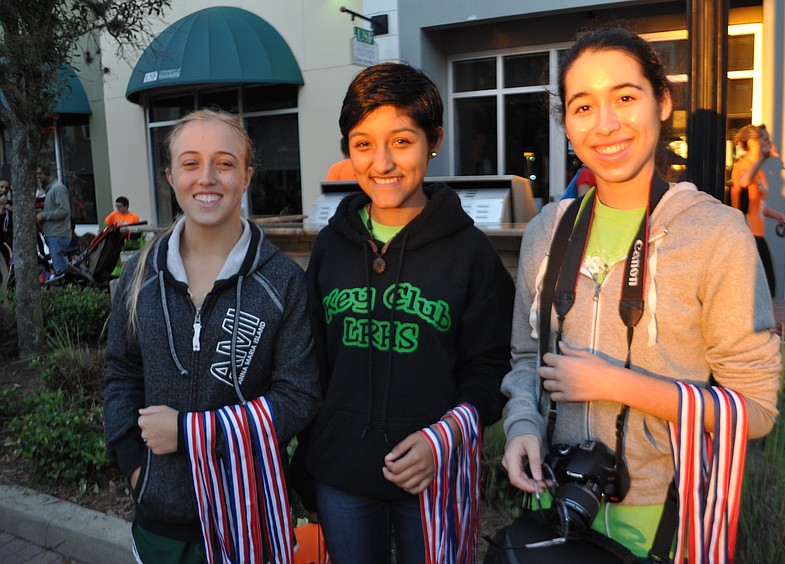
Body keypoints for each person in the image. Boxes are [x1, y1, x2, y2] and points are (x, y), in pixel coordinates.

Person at [500, 28, 780, 560]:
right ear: (566, 122)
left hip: (666, 520)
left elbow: (756, 408)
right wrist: (521, 427)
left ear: (663, 101)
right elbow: (523, 359)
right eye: (583, 106)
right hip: (561, 502)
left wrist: (615, 383)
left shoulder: (716, 234)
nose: (605, 124)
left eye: (625, 97)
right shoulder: (547, 231)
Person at [298, 62, 514, 563]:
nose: (382, 162)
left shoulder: (470, 254)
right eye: (363, 143)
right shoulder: (332, 247)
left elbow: (494, 366)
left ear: (433, 140)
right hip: (343, 475)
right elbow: (312, 362)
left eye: (401, 140)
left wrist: (443, 439)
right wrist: (310, 459)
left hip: (434, 475)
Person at [103, 109, 322, 563]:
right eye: (190, 163)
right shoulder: (140, 275)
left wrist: (192, 433)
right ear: (170, 177)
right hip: (159, 518)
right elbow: (121, 372)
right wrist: (134, 466)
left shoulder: (282, 282)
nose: (207, 178)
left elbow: (299, 395)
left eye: (224, 163)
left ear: (246, 176)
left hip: (249, 514)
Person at [730, 124, 785, 297]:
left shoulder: (759, 171)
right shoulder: (743, 165)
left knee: (766, 286)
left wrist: (777, 215)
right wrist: (762, 159)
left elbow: (758, 203)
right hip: (745, 232)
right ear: (752, 142)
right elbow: (744, 182)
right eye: (764, 139)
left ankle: (761, 324)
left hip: (757, 232)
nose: (768, 142)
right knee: (759, 287)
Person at [36, 161, 73, 275]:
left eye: (40, 174)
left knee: (61, 271)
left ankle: (66, 291)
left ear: (49, 173)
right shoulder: (51, 189)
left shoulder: (58, 189)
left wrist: (43, 215)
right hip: (54, 235)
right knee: (60, 268)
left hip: (58, 235)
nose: (38, 177)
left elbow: (64, 211)